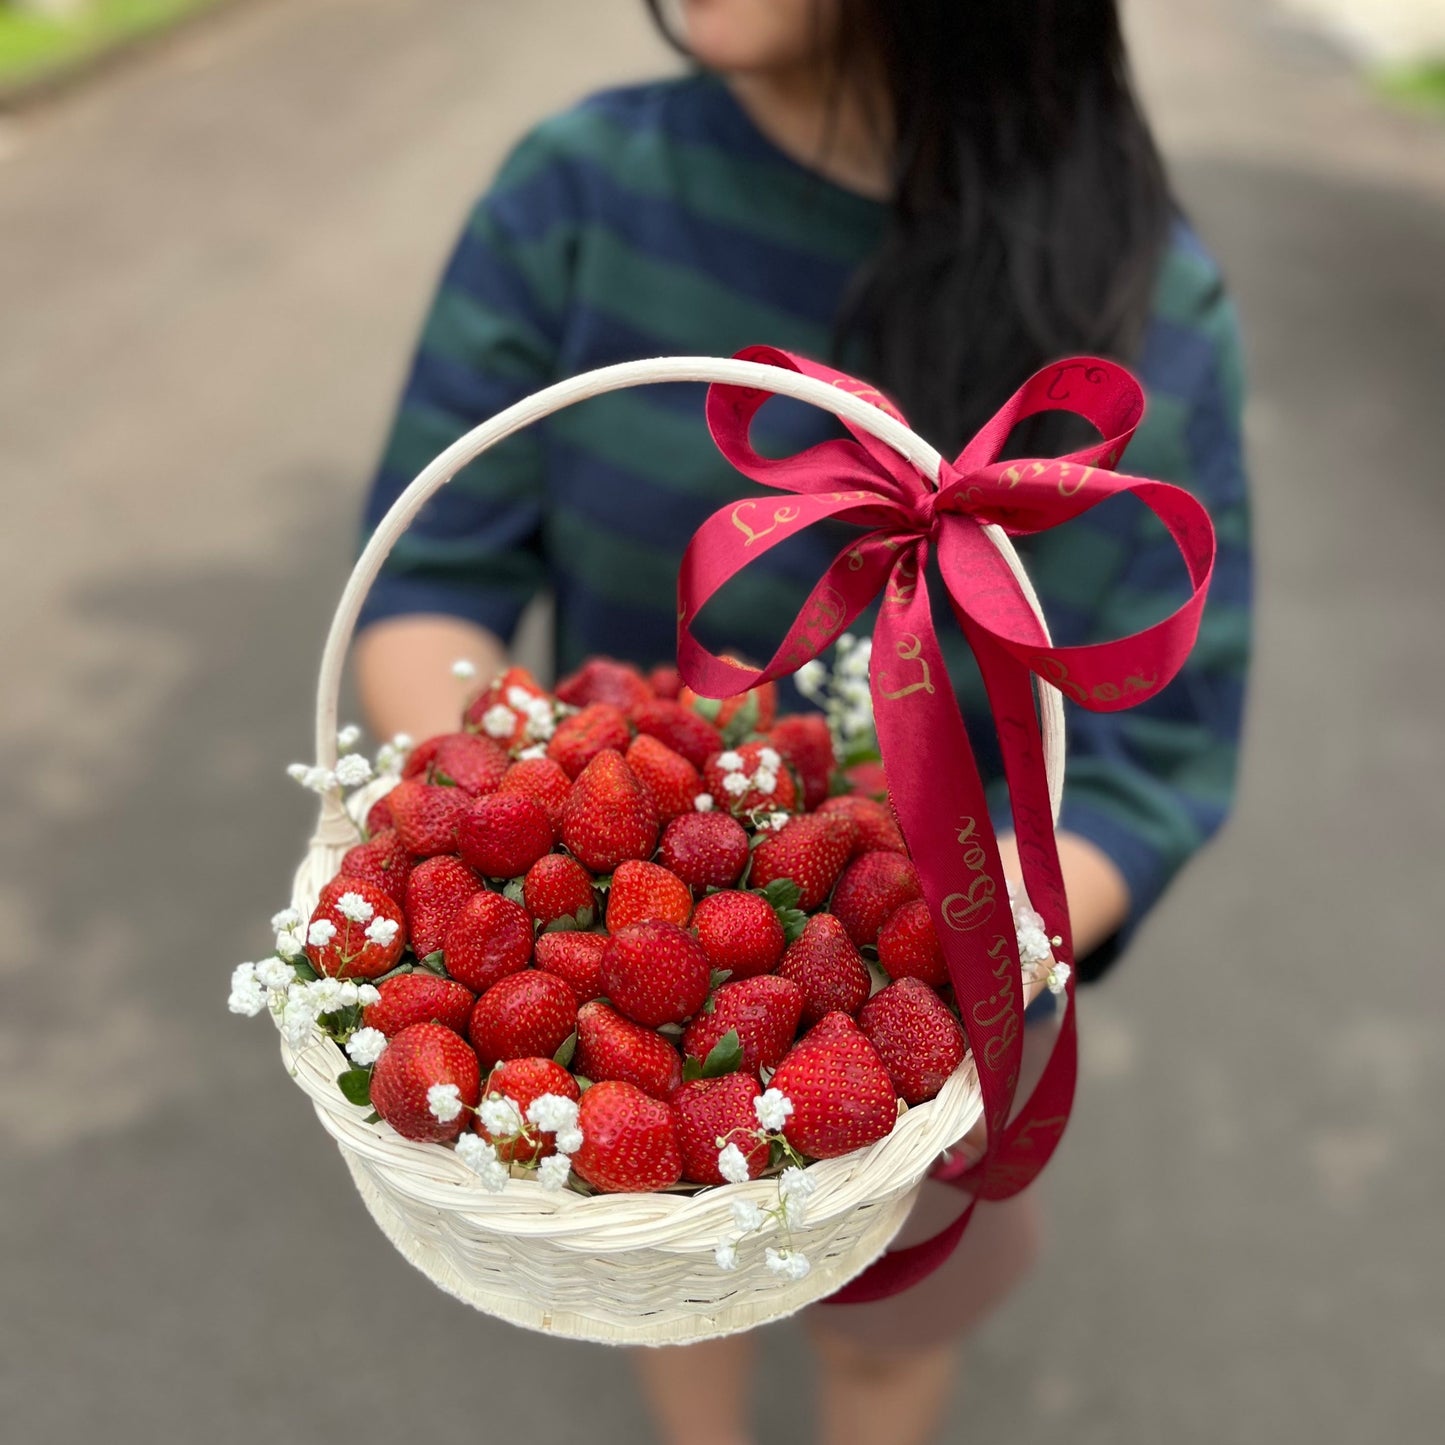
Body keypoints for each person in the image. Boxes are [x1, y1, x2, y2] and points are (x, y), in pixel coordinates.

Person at [353, 3, 1251, 1442]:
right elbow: (428, 578)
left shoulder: (1133, 303)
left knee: (891, 1335)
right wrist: (474, 812)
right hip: (620, 906)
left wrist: (958, 956)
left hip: (928, 958)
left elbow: (1156, 753)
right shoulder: (574, 189)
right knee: (673, 1302)